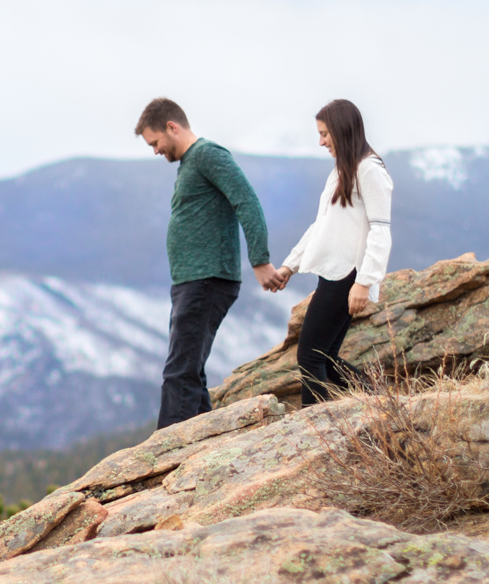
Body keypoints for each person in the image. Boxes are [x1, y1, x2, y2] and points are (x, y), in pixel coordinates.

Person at [135, 98, 278, 428]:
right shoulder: (190, 163)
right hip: (190, 281)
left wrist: (259, 260)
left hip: (207, 279)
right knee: (190, 371)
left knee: (179, 372)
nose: (155, 151)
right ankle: (205, 450)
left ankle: (168, 457)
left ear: (172, 127)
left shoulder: (208, 154)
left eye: (155, 142)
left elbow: (247, 201)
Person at [266, 99, 393, 405]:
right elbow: (321, 226)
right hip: (333, 272)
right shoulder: (341, 171)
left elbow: (381, 229)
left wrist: (364, 281)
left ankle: (317, 429)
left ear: (341, 130)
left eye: (325, 134)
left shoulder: (369, 170)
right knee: (326, 356)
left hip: (348, 275)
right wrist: (289, 266)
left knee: (310, 356)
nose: (321, 141)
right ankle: (385, 404)